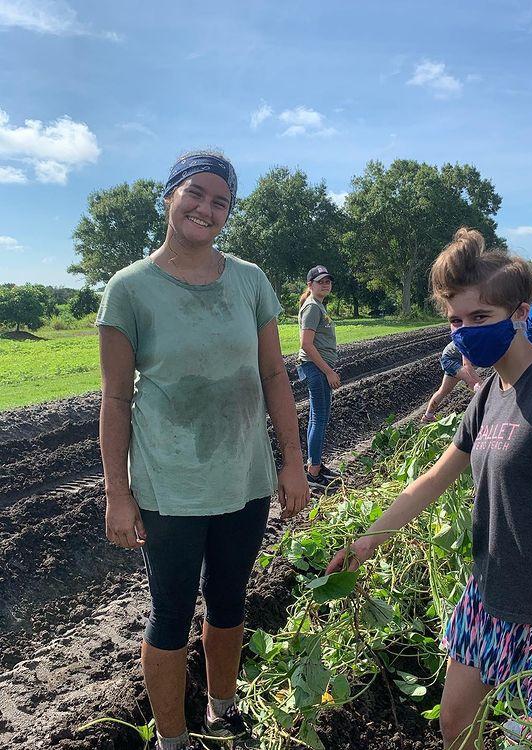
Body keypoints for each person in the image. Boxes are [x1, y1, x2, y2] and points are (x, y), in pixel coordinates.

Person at [326, 227, 532, 750]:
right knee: (455, 727)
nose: (465, 332)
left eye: (480, 317)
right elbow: (435, 478)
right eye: (456, 320)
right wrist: (368, 541)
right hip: (487, 596)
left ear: (520, 313)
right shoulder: (488, 393)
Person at [96, 150, 309, 750]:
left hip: (244, 475)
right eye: (195, 193)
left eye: (221, 202)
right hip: (170, 483)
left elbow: (274, 375)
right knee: (169, 612)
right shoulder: (130, 289)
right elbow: (116, 399)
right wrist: (117, 493)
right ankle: (172, 738)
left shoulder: (250, 280)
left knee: (229, 599)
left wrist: (292, 462)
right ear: (169, 196)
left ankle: (222, 709)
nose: (206, 209)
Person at [298, 265, 340, 491]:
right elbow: (306, 344)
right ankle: (313, 473)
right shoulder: (312, 307)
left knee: (317, 418)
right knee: (319, 419)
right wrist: (328, 371)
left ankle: (313, 465)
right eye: (320, 281)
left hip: (317, 368)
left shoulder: (318, 306)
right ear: (310, 285)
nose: (325, 284)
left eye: (328, 281)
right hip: (316, 369)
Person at [421, 340, 482, 423]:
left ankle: (428, 416)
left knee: (444, 390)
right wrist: (481, 382)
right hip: (450, 359)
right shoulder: (467, 338)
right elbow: (467, 365)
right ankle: (477, 414)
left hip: (457, 359)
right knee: (473, 382)